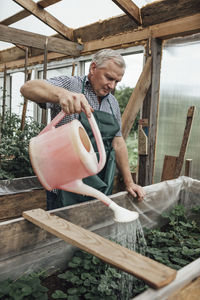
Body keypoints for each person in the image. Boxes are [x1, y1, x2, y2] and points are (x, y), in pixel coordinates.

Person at [20, 49, 145, 209]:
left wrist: (129, 183)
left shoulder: (112, 103)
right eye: (109, 78)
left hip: (99, 183)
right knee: (60, 229)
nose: (112, 86)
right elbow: (28, 88)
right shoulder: (71, 85)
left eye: (117, 82)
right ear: (93, 68)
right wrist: (61, 95)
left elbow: (118, 142)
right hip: (66, 184)